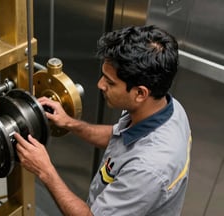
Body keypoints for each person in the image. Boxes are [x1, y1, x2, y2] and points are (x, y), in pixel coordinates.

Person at [14, 25, 192, 216]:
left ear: (140, 93)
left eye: (110, 82)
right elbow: (118, 136)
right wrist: (69, 123)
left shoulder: (148, 170)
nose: (100, 85)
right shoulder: (168, 109)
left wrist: (45, 171)